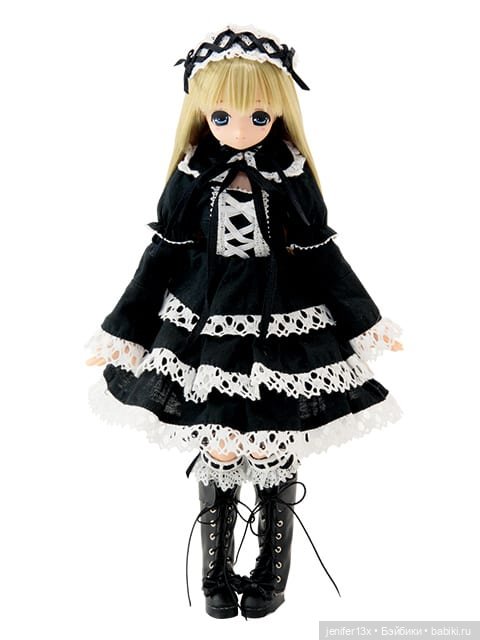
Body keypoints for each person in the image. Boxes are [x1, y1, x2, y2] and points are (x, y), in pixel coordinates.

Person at [85, 25, 404, 620]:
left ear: (278, 113)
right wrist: (124, 326)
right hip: (206, 319)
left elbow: (319, 251)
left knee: (274, 439)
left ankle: (271, 570)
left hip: (280, 318)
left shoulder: (289, 172)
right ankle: (215, 572)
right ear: (201, 114)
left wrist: (363, 320)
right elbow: (163, 252)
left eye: (258, 116)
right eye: (221, 116)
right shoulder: (192, 174)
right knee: (221, 442)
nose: (238, 130)